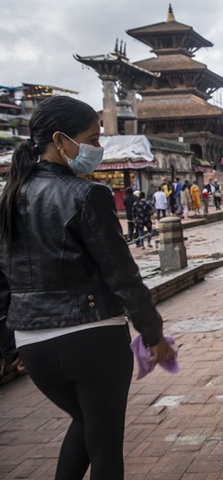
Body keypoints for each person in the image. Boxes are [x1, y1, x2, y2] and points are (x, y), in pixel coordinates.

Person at [0, 96, 173, 479]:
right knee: (106, 445)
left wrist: (9, 345)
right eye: (92, 139)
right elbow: (122, 274)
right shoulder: (87, 194)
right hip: (92, 337)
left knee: (85, 426)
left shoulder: (8, 198)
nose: (97, 149)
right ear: (61, 141)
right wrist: (152, 333)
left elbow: (1, 282)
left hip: (33, 343)